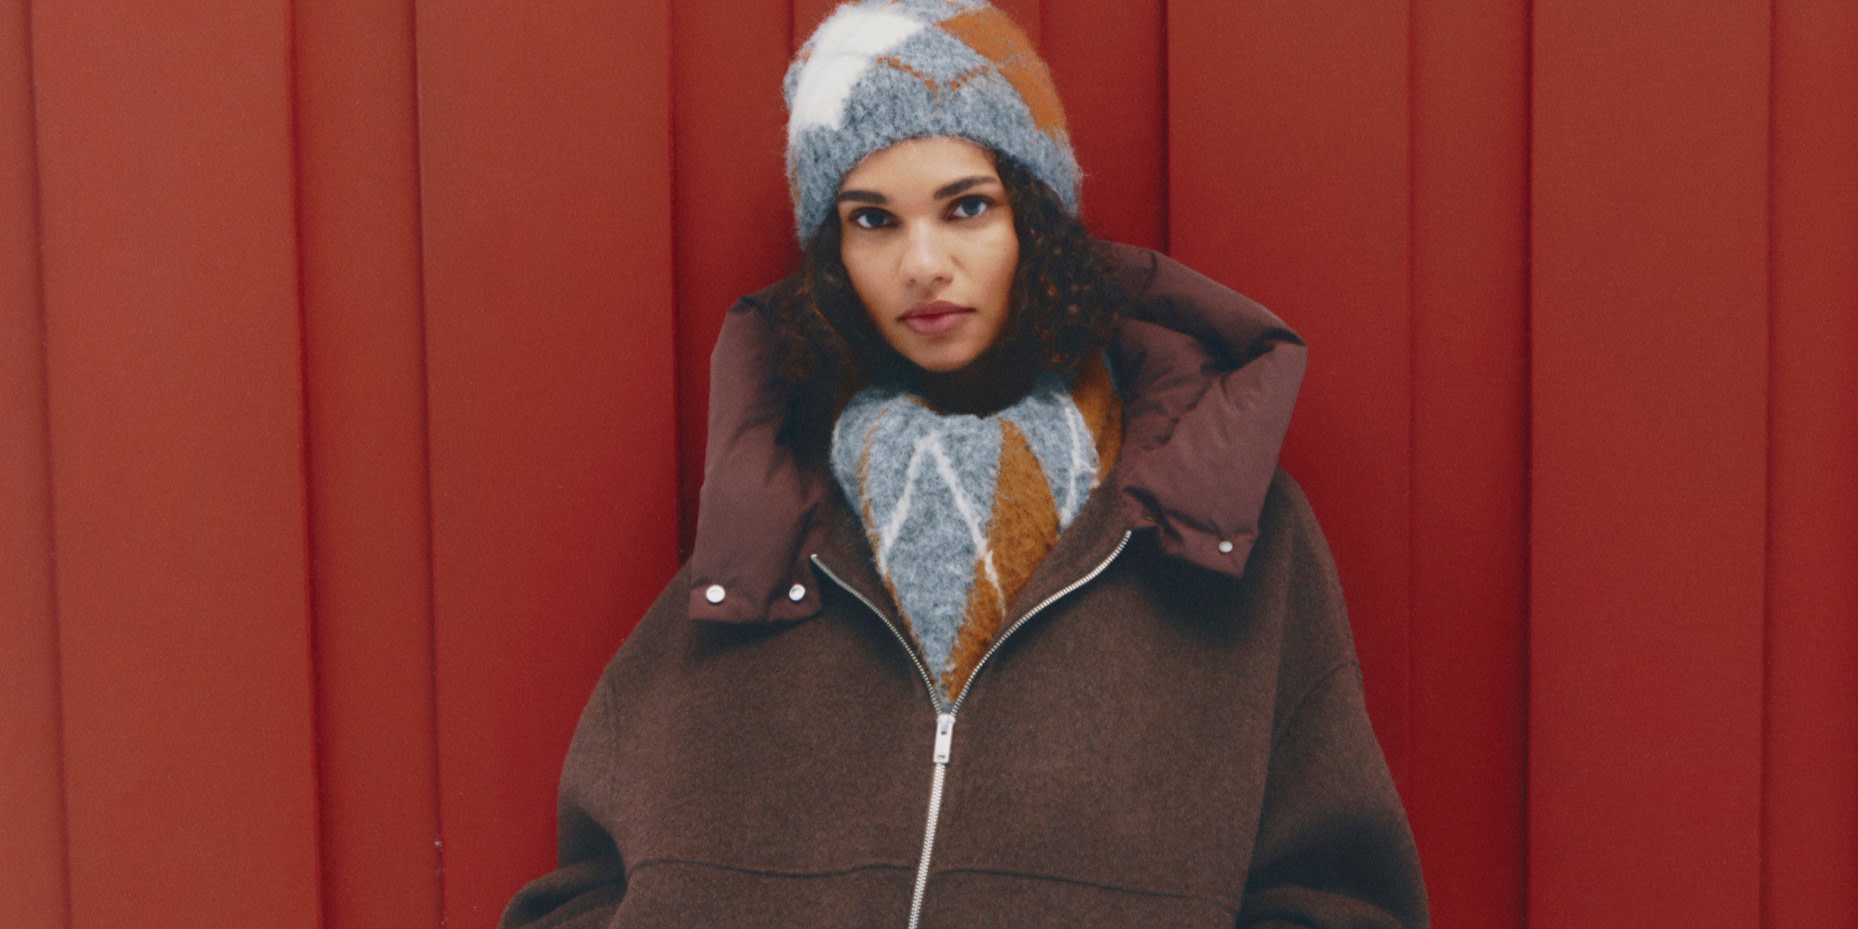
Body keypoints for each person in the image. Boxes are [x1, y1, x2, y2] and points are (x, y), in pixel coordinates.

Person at [501, 1, 1427, 926]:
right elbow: (587, 884)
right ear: (834, 256)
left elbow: (1339, 894)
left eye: (968, 207)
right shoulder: (768, 531)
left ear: (1036, 221)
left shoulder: (1218, 517)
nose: (923, 263)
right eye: (873, 220)